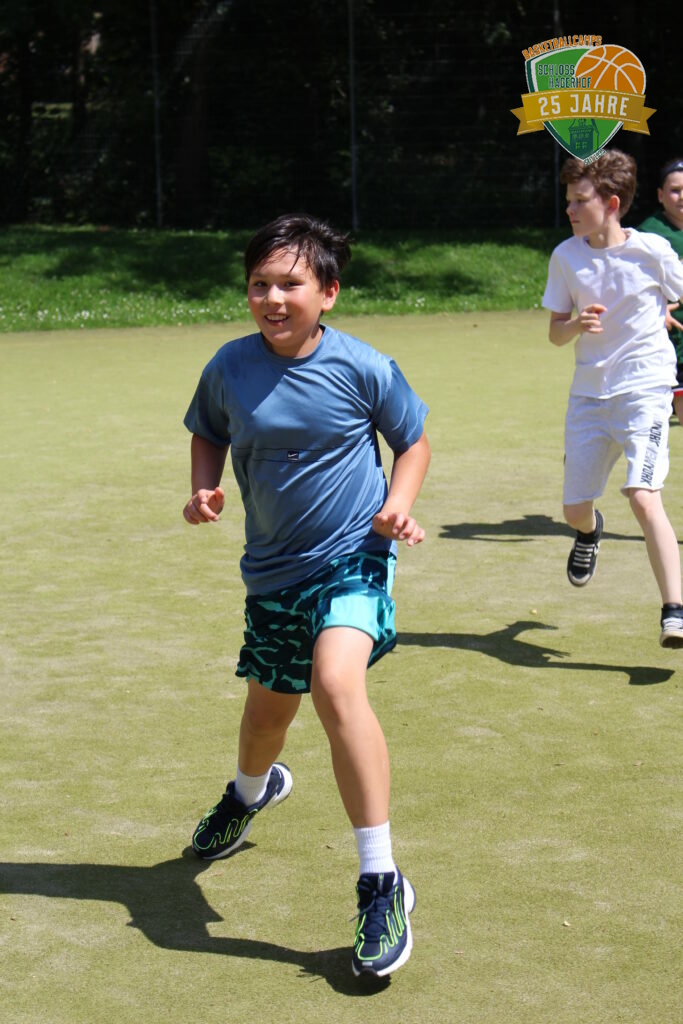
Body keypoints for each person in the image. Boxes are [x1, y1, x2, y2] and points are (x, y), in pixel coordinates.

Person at [182, 213, 431, 978]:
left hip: (355, 559)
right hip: (271, 575)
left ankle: (380, 879)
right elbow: (208, 431)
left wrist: (397, 505)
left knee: (335, 683)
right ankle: (248, 794)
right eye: (259, 284)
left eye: (289, 283)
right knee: (266, 717)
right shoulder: (229, 366)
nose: (272, 298)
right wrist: (204, 487)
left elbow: (412, 441)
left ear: (328, 292)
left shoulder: (363, 366)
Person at [542, 149, 683, 648]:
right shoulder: (566, 256)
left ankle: (674, 611)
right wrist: (576, 325)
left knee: (643, 495)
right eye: (569, 200)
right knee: (574, 509)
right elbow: (555, 333)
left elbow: (677, 289)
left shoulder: (652, 250)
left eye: (580, 200)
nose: (570, 209)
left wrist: (663, 309)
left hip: (646, 388)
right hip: (589, 395)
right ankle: (589, 532)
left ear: (612, 203)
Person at [639, 157, 683, 422]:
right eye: (675, 190)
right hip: (673, 344)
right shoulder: (648, 235)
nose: (682, 196)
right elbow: (635, 285)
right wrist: (659, 310)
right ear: (660, 195)